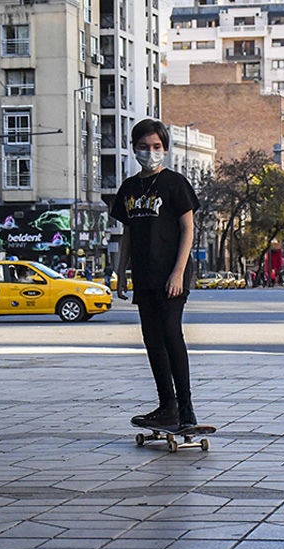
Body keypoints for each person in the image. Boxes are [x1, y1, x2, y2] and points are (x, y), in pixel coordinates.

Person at [111, 119, 201, 430]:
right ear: (134, 148)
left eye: (157, 147)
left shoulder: (175, 183)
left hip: (171, 273)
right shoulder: (130, 188)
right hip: (144, 275)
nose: (150, 153)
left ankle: (186, 409)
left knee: (170, 333)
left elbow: (188, 229)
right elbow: (127, 234)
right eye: (144, 147)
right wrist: (120, 272)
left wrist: (179, 272)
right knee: (152, 339)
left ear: (165, 149)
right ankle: (167, 406)